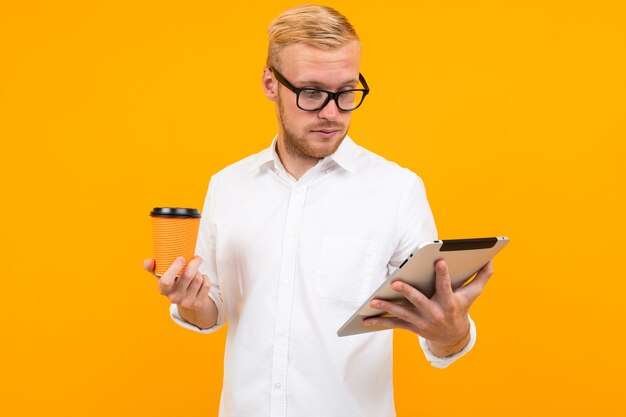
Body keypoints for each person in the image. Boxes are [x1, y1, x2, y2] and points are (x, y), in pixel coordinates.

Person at [144, 5, 494, 417]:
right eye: (311, 92)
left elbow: (436, 327)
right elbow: (212, 310)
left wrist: (451, 333)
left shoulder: (397, 190)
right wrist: (190, 301)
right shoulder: (228, 185)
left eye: (347, 92)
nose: (332, 112)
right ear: (270, 84)